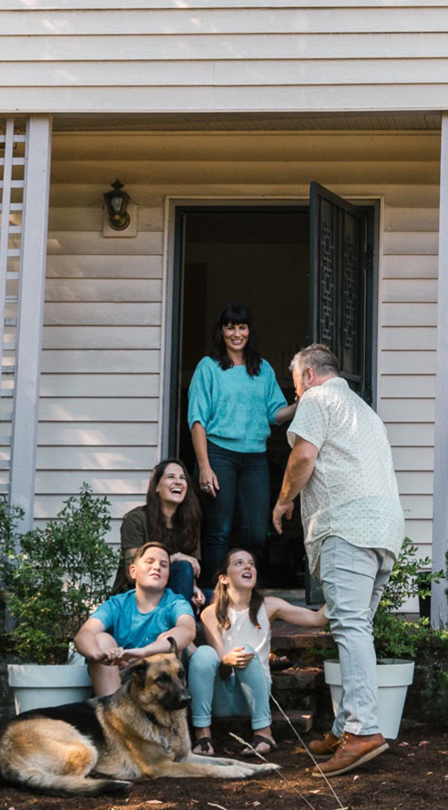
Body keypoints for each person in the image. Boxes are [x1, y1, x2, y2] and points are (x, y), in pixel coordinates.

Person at [272, 344, 404, 777]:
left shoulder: (316, 399)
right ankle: (348, 724)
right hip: (383, 530)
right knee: (355, 626)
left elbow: (303, 456)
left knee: (349, 626)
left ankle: (363, 730)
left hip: (347, 526)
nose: (296, 396)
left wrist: (283, 501)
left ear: (308, 376)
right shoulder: (364, 410)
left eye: (295, 387)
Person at [189, 302, 296, 588]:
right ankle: (213, 597)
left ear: (250, 330)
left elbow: (276, 413)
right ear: (221, 331)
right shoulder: (208, 368)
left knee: (256, 534)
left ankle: (245, 594)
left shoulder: (262, 370)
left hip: (255, 459)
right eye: (230, 327)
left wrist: (302, 403)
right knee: (220, 530)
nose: (237, 333)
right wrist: (204, 466)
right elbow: (197, 419)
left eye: (242, 326)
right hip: (219, 454)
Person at [188, 547, 327, 757]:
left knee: (245, 651)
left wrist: (341, 588)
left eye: (251, 563)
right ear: (224, 578)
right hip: (222, 696)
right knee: (202, 654)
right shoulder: (210, 613)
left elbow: (316, 619)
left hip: (254, 697)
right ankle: (203, 736)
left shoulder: (269, 606)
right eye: (239, 563)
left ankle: (264, 733)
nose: (248, 566)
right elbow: (216, 664)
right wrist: (228, 660)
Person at [76, 542, 197, 696]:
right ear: (133, 571)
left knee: (170, 639)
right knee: (101, 639)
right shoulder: (117, 604)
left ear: (168, 575)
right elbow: (83, 634)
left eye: (164, 564)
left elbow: (187, 630)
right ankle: (116, 715)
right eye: (149, 561)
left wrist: (143, 652)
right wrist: (97, 654)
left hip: (161, 684)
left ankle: (164, 715)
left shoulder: (176, 603)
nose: (157, 567)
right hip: (120, 678)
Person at [111, 459, 206, 607]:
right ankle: (180, 626)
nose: (178, 482)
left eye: (182, 478)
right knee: (182, 566)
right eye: (171, 477)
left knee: (218, 600)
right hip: (133, 599)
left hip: (170, 592)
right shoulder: (136, 519)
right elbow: (132, 573)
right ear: (156, 486)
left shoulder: (190, 522)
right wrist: (175, 557)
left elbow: (191, 569)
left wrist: (192, 588)